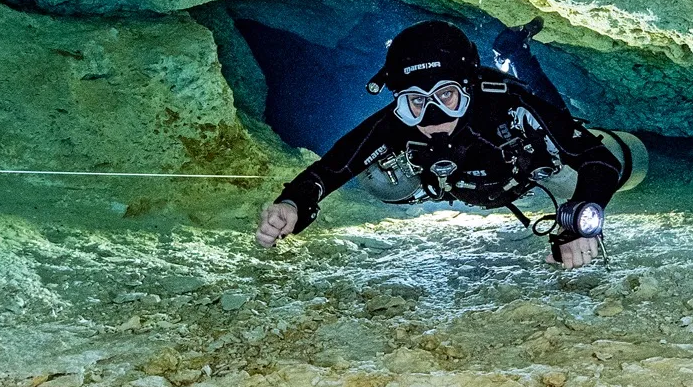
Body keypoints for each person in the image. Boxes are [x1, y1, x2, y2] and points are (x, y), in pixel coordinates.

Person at [254, 19, 640, 268]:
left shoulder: (505, 104)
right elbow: (333, 167)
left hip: (527, 170)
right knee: (373, 178)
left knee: (585, 144)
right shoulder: (399, 121)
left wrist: (577, 222)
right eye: (417, 101)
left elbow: (597, 159)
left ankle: (514, 53)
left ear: (468, 89)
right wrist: (294, 203)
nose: (433, 115)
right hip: (456, 183)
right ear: (401, 100)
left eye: (447, 96)